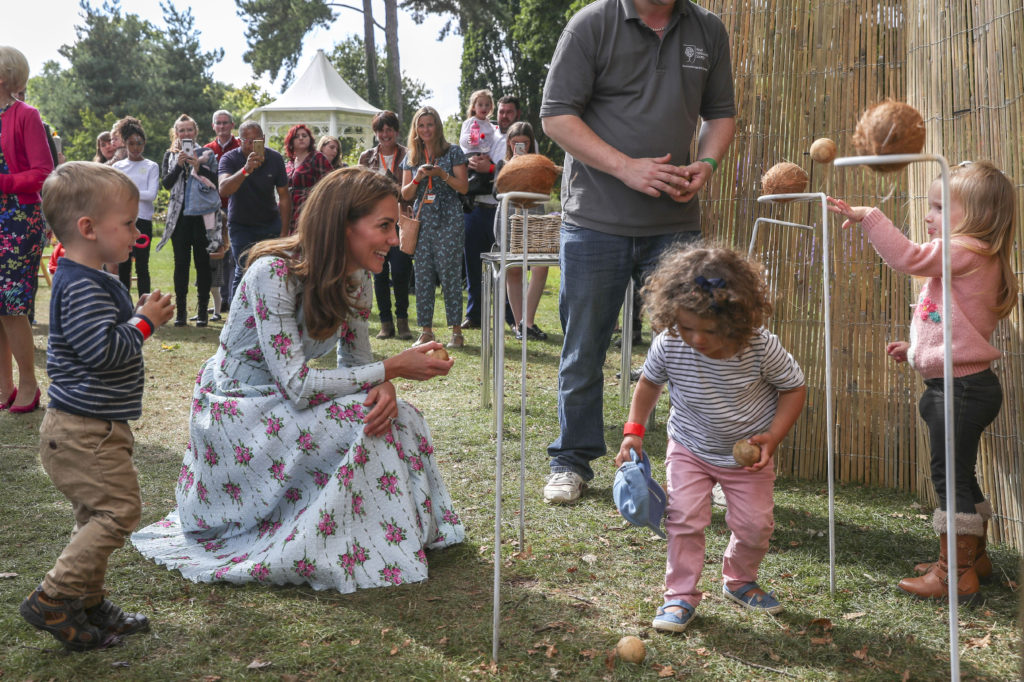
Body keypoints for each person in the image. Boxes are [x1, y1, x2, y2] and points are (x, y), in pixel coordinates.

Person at [131, 167, 465, 593]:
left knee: (400, 416)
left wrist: (384, 386)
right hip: (237, 410)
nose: (394, 240)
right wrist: (391, 369)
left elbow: (356, 360)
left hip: (282, 401)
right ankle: (348, 542)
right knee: (360, 423)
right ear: (340, 224)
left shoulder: (359, 278)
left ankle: (391, 536)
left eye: (394, 227)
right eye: (384, 226)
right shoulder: (272, 273)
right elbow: (300, 386)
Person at [539, 0, 736, 504]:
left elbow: (719, 115)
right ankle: (571, 461)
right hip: (593, 221)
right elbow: (556, 116)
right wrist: (626, 167)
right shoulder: (591, 23)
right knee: (584, 348)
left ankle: (700, 462)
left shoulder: (708, 29)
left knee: (695, 348)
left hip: (675, 224)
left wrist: (708, 163)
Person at [827, 161, 1018, 604]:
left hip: (961, 391)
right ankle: (974, 560)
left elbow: (907, 258)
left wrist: (869, 216)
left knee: (948, 478)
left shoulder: (964, 249)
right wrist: (913, 352)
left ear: (978, 215)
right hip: (963, 384)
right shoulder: (973, 254)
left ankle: (954, 574)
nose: (928, 216)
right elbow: (949, 331)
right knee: (960, 475)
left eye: (937, 207)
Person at [19, 161, 174, 651]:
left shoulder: (90, 279)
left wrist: (135, 314)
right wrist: (144, 323)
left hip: (93, 428)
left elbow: (104, 336)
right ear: (88, 229)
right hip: (84, 432)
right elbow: (104, 351)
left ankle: (88, 603)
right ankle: (54, 596)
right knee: (119, 510)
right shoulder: (82, 283)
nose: (136, 232)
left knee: (96, 515)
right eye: (127, 223)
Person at [614, 244, 805, 632]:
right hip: (689, 446)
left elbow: (794, 388)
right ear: (671, 315)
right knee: (684, 519)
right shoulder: (670, 342)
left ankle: (740, 580)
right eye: (687, 327)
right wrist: (633, 430)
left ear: (736, 320)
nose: (697, 339)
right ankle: (679, 597)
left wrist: (773, 437)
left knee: (756, 526)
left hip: (746, 457)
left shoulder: (759, 346)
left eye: (710, 330)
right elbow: (649, 383)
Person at [0, 45, 53, 414]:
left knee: (11, 305)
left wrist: (2, 182)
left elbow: (42, 174)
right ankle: (4, 387)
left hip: (18, 219)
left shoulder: (26, 115)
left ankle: (30, 385)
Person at [400, 106, 469, 349]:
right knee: (424, 274)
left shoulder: (453, 152)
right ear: (416, 129)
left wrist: (442, 175)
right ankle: (426, 331)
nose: (425, 129)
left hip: (449, 217)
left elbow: (463, 188)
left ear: (437, 126)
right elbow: (405, 194)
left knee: (450, 273)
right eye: (421, 125)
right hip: (423, 219)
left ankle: (456, 332)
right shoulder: (411, 156)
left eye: (429, 124)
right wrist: (418, 177)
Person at [156, 114, 218, 327]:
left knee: (202, 263)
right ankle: (181, 312)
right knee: (181, 264)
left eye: (189, 130)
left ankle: (202, 311)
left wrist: (198, 167)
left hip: (201, 217)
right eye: (181, 131)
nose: (185, 134)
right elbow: (166, 183)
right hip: (179, 217)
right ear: (176, 133)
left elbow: (215, 183)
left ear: (196, 132)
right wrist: (178, 165)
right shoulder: (169, 155)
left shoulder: (207, 154)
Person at [219, 120, 291, 293]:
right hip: (241, 225)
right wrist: (245, 170)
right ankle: (237, 316)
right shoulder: (229, 158)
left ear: (264, 139)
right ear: (239, 141)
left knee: (272, 271)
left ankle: (265, 312)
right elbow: (224, 189)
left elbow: (284, 196)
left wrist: (283, 232)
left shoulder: (274, 158)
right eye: (247, 141)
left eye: (256, 140)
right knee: (244, 269)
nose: (252, 145)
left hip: (270, 223)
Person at [492, 121, 549, 340]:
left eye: (524, 143)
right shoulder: (501, 163)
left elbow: (545, 187)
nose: (520, 147)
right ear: (509, 143)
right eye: (516, 143)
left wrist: (531, 167)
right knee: (513, 269)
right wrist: (512, 168)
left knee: (540, 266)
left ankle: (528, 321)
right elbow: (496, 190)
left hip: (534, 216)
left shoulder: (539, 163)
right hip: (509, 216)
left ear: (531, 143)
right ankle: (519, 326)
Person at [360, 111, 413, 340]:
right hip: (375, 223)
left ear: (396, 131)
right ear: (376, 133)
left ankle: (403, 321)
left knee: (401, 271)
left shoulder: (409, 155)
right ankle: (385, 323)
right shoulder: (366, 158)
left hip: (401, 220)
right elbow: (359, 191)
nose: (385, 134)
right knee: (379, 273)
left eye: (389, 129)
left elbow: (412, 192)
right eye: (381, 130)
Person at [113, 119, 158, 296]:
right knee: (123, 265)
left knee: (142, 266)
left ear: (144, 143)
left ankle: (144, 306)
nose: (135, 148)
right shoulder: (118, 166)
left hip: (143, 221)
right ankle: (125, 306)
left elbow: (151, 194)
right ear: (125, 144)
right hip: (123, 221)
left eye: (139, 143)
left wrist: (128, 191)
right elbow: (115, 193)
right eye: (131, 143)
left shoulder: (151, 166)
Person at [205, 109, 240, 317]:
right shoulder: (207, 150)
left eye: (225, 123)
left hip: (235, 207)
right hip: (213, 209)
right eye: (218, 123)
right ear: (213, 126)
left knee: (233, 255)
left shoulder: (239, 147)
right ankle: (219, 300)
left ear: (232, 125)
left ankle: (232, 298)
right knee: (216, 256)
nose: (222, 126)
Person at [284, 123, 332, 228]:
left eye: (304, 136)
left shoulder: (317, 157)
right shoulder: (290, 163)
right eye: (297, 136)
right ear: (291, 142)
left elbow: (331, 183)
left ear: (310, 139)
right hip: (290, 212)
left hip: (310, 210)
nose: (301, 138)